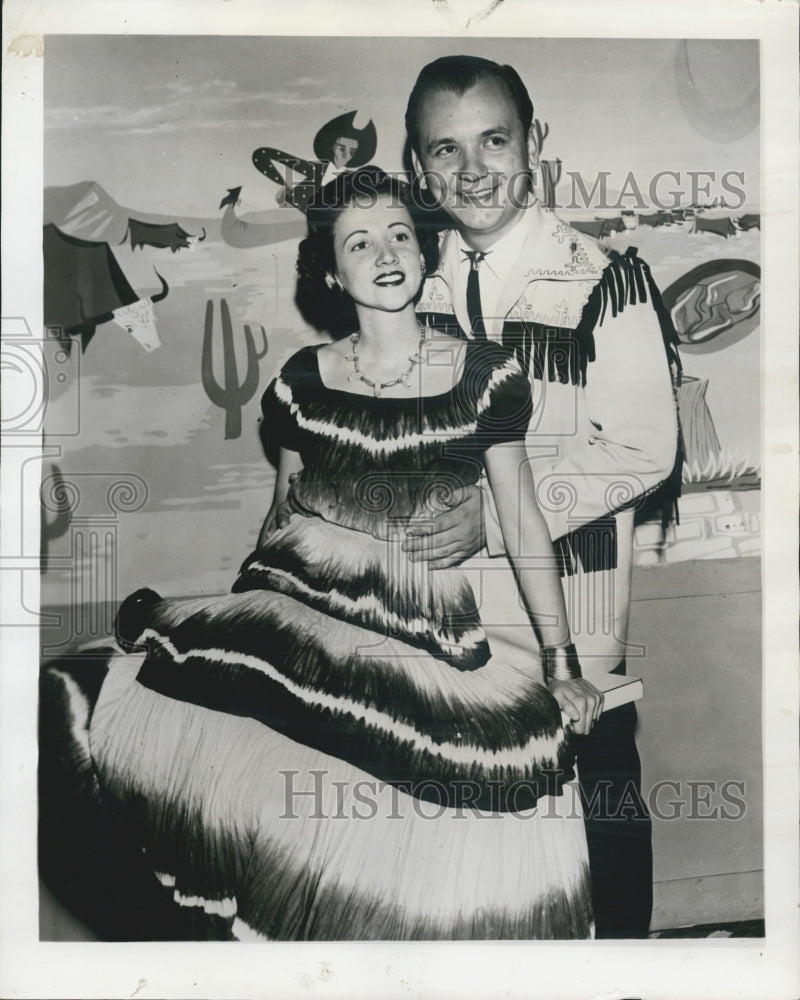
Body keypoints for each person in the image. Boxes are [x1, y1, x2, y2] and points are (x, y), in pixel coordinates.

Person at [76, 167, 602, 941]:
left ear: (423, 250)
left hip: (422, 638)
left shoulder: (484, 377)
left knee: (418, 854)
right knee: (288, 848)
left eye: (399, 234)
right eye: (360, 242)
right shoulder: (299, 383)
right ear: (330, 270)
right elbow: (280, 518)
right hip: (301, 622)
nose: (386, 251)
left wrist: (562, 664)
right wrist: (237, 644)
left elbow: (521, 520)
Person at [403, 56, 681, 938]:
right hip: (450, 621)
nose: (473, 168)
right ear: (417, 170)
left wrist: (495, 518)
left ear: (536, 144)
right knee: (474, 852)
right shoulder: (415, 292)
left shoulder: (604, 277)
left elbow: (642, 449)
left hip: (575, 615)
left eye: (495, 139)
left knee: (599, 826)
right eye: (445, 150)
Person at [252, 110, 378, 214]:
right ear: (333, 147)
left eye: (352, 152)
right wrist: (285, 185)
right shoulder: (314, 169)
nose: (346, 155)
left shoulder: (352, 179)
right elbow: (262, 155)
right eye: (341, 148)